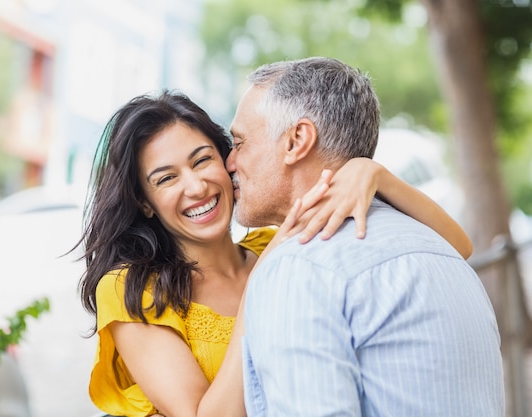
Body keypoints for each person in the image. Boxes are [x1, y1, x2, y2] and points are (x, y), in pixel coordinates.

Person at [78, 90, 473, 417]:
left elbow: (457, 247)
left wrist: (373, 173)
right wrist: (264, 278)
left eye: (202, 160)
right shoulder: (130, 289)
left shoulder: (278, 242)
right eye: (166, 178)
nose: (196, 187)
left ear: (227, 161)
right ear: (145, 203)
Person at [228, 57, 505, 416]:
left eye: (240, 142)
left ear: (296, 141)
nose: (229, 163)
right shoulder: (442, 252)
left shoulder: (300, 267)